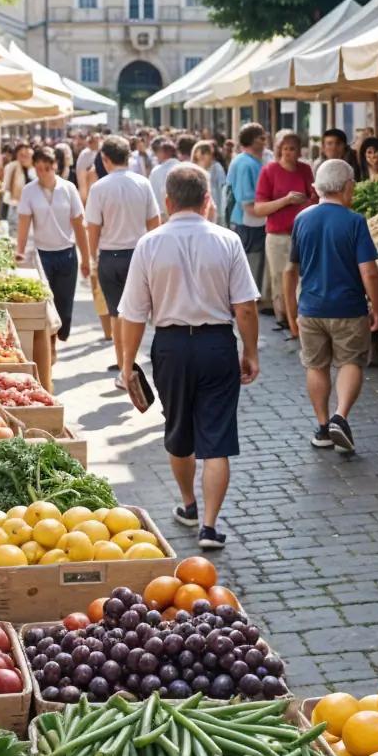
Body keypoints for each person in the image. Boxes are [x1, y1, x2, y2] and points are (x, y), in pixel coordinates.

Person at [115, 163, 259, 552]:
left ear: (167, 201)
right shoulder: (228, 240)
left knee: (179, 430)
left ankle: (189, 505)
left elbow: (133, 314)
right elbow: (244, 306)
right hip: (217, 345)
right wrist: (251, 351)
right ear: (207, 200)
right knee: (218, 438)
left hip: (171, 347)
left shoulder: (149, 244)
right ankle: (210, 527)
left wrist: (127, 365)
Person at [283, 157, 378, 454]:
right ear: (347, 186)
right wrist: (377, 309)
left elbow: (290, 271)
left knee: (316, 366)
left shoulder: (302, 219)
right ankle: (341, 416)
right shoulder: (354, 221)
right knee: (350, 362)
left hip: (310, 310)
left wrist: (291, 312)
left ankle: (323, 427)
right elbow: (369, 272)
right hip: (348, 309)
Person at [84, 136, 160, 366]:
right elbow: (154, 224)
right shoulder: (143, 183)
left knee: (116, 315)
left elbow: (93, 229)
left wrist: (92, 258)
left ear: (105, 159)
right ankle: (133, 360)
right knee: (136, 313)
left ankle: (123, 367)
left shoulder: (99, 188)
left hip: (109, 257)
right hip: (138, 255)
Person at [16, 145, 89, 347]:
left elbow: (79, 225)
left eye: (47, 168)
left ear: (55, 166)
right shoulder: (29, 191)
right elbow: (24, 224)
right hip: (42, 254)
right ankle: (50, 345)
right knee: (47, 303)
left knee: (64, 306)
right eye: (38, 168)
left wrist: (86, 258)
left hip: (67, 253)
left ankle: (57, 337)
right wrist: (19, 253)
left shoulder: (68, 188)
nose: (43, 173)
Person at [252, 129, 315, 328]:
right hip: (277, 235)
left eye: (293, 148)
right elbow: (259, 208)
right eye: (285, 149)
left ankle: (301, 318)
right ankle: (286, 319)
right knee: (280, 278)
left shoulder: (305, 170)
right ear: (279, 150)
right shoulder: (269, 171)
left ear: (299, 151)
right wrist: (286, 200)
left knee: (303, 278)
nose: (289, 152)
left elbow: (315, 197)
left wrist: (304, 202)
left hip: (302, 233)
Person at [227, 122, 270, 305]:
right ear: (252, 140)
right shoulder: (246, 163)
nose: (265, 141)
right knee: (250, 262)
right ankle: (246, 301)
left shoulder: (245, 160)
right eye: (262, 137)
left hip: (246, 220)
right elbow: (246, 201)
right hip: (248, 221)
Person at [0, 141, 34, 232]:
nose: (24, 157)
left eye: (26, 155)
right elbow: (6, 187)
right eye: (21, 154)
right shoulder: (12, 167)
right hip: (15, 207)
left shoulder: (34, 169)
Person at [192, 139, 227, 224]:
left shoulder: (216, 167)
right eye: (203, 153)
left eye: (208, 153)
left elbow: (223, 188)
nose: (209, 156)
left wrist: (222, 212)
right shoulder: (192, 168)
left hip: (214, 207)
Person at [146, 138, 180, 211]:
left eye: (157, 152)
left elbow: (152, 196)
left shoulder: (156, 171)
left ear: (163, 152)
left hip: (161, 214)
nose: (156, 155)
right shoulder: (183, 167)